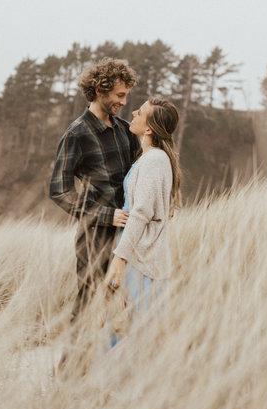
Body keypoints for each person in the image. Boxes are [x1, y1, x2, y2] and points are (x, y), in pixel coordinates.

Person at [49, 58, 139, 322]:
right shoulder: (76, 134)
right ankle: (72, 364)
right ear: (100, 91)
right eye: (120, 95)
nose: (124, 102)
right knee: (87, 310)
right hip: (94, 238)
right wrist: (105, 215)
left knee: (127, 308)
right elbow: (59, 191)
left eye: (126, 96)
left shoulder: (124, 130)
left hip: (128, 235)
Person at [105, 96, 181, 328]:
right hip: (138, 256)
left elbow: (141, 213)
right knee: (126, 331)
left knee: (135, 335)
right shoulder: (149, 158)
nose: (134, 111)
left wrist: (120, 258)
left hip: (142, 261)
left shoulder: (155, 160)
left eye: (141, 111)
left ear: (148, 128)